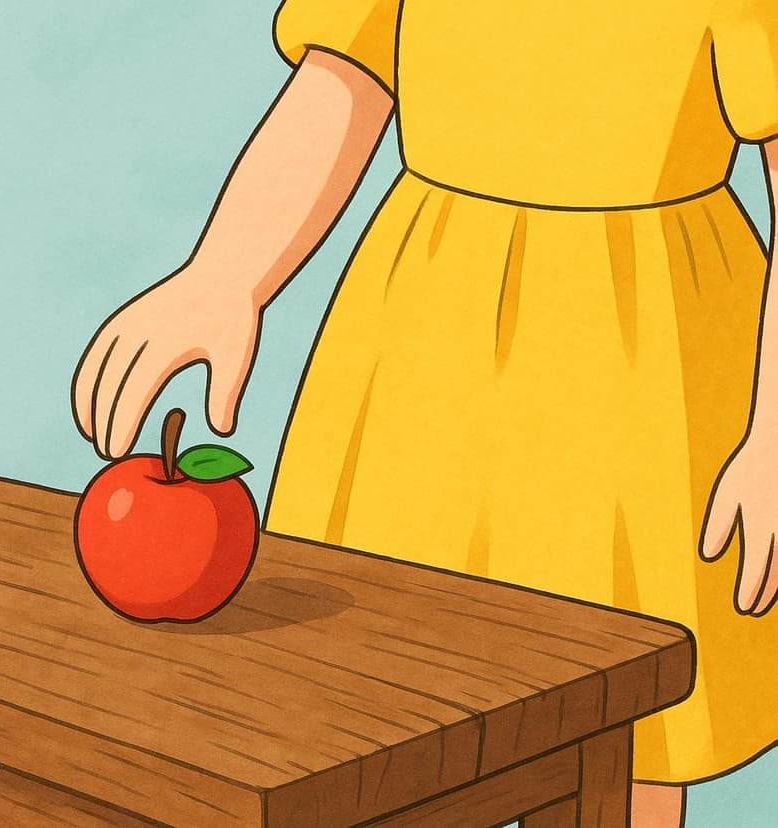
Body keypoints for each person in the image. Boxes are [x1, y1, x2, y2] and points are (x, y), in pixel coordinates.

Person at [72, 2, 778, 825]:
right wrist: (224, 274)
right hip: (423, 348)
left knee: (626, 728)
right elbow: (344, 79)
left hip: (648, 365)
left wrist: (772, 433)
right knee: (378, 706)